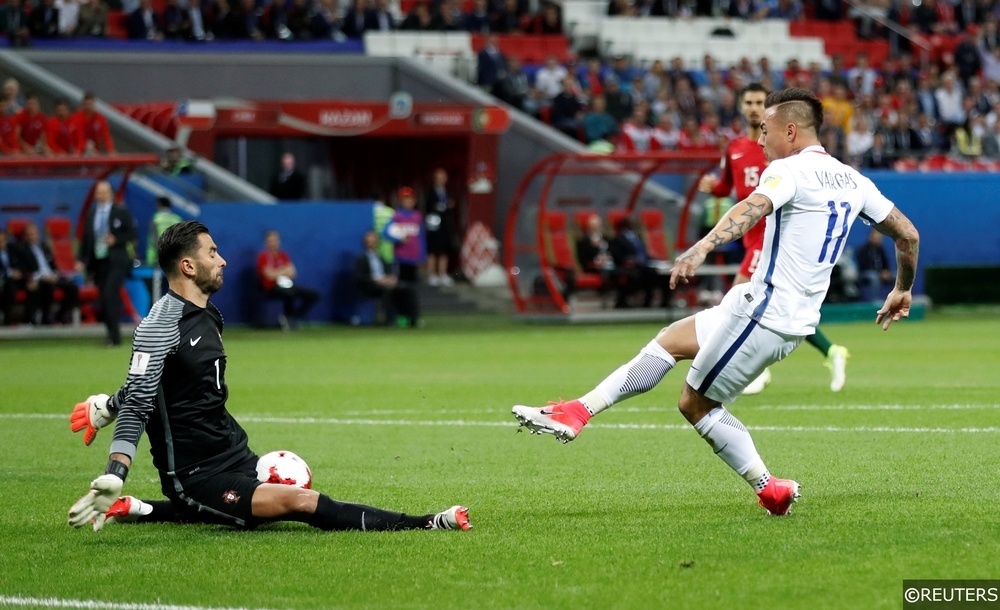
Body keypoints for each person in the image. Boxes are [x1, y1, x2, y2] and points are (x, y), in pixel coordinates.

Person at [512, 87, 920, 517]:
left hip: (766, 312)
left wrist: (702, 246)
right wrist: (902, 287)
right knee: (671, 340)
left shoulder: (789, 171)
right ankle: (578, 410)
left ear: (791, 130)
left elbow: (752, 207)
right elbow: (908, 235)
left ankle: (770, 489)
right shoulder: (853, 179)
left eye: (766, 130)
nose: (760, 140)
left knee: (695, 404)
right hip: (777, 312)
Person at [67, 220, 470, 533]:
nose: (222, 260)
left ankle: (141, 509)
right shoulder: (160, 324)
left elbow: (161, 380)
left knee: (275, 492)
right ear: (188, 266)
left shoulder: (209, 314)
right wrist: (114, 471)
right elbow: (140, 400)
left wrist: (107, 404)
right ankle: (425, 522)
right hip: (195, 475)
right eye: (212, 253)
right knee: (300, 501)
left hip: (235, 453)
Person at [698, 83, 851, 394]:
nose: (754, 107)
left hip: (772, 237)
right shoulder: (735, 148)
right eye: (749, 102)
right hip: (749, 237)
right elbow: (727, 188)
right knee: (778, 308)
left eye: (759, 102)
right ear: (741, 107)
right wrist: (711, 186)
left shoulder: (784, 147)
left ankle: (754, 372)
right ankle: (832, 351)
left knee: (736, 302)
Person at [76, 180, 137, 346]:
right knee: (104, 298)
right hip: (98, 261)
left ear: (110, 194)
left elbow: (131, 233)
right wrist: (81, 260)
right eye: (98, 192)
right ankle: (111, 334)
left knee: (110, 293)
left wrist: (116, 240)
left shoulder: (121, 211)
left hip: (116, 260)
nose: (101, 195)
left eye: (104, 192)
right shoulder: (91, 214)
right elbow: (86, 239)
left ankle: (115, 336)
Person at [15, 221, 79, 325]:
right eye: (30, 234)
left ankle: (60, 316)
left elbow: (52, 264)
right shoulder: (21, 249)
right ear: (25, 236)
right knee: (47, 286)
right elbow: (24, 268)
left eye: (35, 233)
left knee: (72, 287)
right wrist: (42, 276)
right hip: (38, 279)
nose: (33, 236)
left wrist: (54, 274)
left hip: (51, 276)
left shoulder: (44, 246)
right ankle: (46, 318)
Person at [255, 229, 319, 330]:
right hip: (271, 287)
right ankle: (288, 318)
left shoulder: (283, 255)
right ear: (266, 242)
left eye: (275, 240)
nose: (273, 243)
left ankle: (293, 316)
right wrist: (283, 270)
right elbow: (269, 275)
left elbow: (292, 272)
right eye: (270, 241)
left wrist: (276, 271)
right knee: (289, 294)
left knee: (313, 295)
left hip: (288, 284)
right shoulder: (263, 256)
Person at [354, 230, 419, 327]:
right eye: (369, 241)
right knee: (387, 290)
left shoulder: (380, 257)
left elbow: (388, 271)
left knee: (407, 289)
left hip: (385, 282)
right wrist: (376, 280)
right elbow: (360, 276)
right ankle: (391, 319)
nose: (372, 243)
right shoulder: (361, 258)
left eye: (374, 240)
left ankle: (412, 319)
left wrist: (391, 279)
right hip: (371, 285)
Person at [385, 187, 425, 289]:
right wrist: (399, 239)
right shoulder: (397, 216)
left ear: (414, 201)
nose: (408, 202)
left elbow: (421, 237)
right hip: (400, 257)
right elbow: (385, 233)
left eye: (410, 199)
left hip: (414, 257)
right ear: (401, 201)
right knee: (401, 286)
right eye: (405, 199)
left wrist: (422, 256)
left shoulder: (417, 216)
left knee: (412, 287)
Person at [423, 168, 457, 287]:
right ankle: (432, 274)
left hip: (445, 224)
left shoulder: (448, 191)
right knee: (433, 249)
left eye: (444, 176)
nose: (441, 179)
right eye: (439, 176)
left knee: (444, 249)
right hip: (433, 223)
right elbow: (429, 206)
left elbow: (451, 204)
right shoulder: (430, 191)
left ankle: (443, 274)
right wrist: (442, 206)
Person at [856, 228, 893, 302]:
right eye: (877, 236)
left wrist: (887, 271)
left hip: (880, 273)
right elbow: (863, 265)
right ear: (871, 236)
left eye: (880, 237)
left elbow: (886, 262)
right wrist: (880, 273)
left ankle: (893, 299)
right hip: (866, 273)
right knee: (874, 277)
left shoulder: (881, 249)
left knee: (896, 277)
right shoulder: (863, 249)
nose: (879, 239)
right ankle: (874, 300)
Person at [0, 228, 28, 325]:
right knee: (9, 287)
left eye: (3, 240)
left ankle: (29, 320)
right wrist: (10, 273)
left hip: (15, 280)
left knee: (33, 286)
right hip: (4, 280)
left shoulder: (12, 249)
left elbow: (23, 263)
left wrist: (20, 272)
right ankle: (7, 321)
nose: (1, 243)